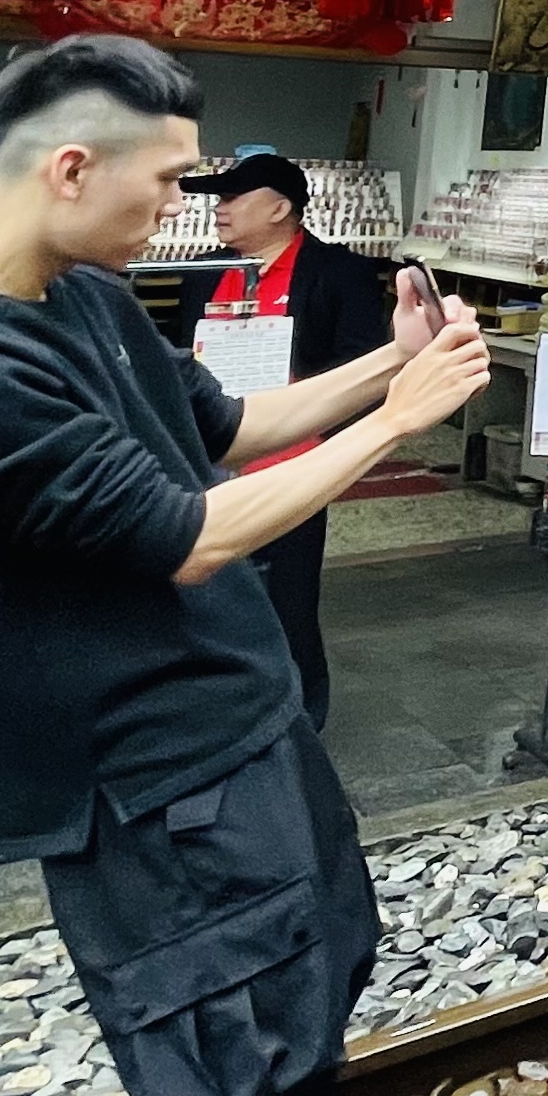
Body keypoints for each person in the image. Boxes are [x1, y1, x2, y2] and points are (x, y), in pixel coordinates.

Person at [0, 36, 490, 1096]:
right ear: (72, 169)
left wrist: (394, 363)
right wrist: (396, 427)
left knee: (320, 974)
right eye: (173, 180)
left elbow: (229, 427)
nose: (186, 207)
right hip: (144, 783)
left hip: (240, 721)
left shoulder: (82, 296)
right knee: (239, 1054)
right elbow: (189, 536)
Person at [176, 151, 401, 730]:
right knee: (210, 591)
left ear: (280, 208)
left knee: (288, 598)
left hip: (292, 458)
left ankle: (299, 718)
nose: (219, 209)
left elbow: (362, 364)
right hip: (210, 459)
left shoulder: (338, 273)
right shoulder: (203, 271)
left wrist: (320, 436)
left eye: (233, 197)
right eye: (218, 199)